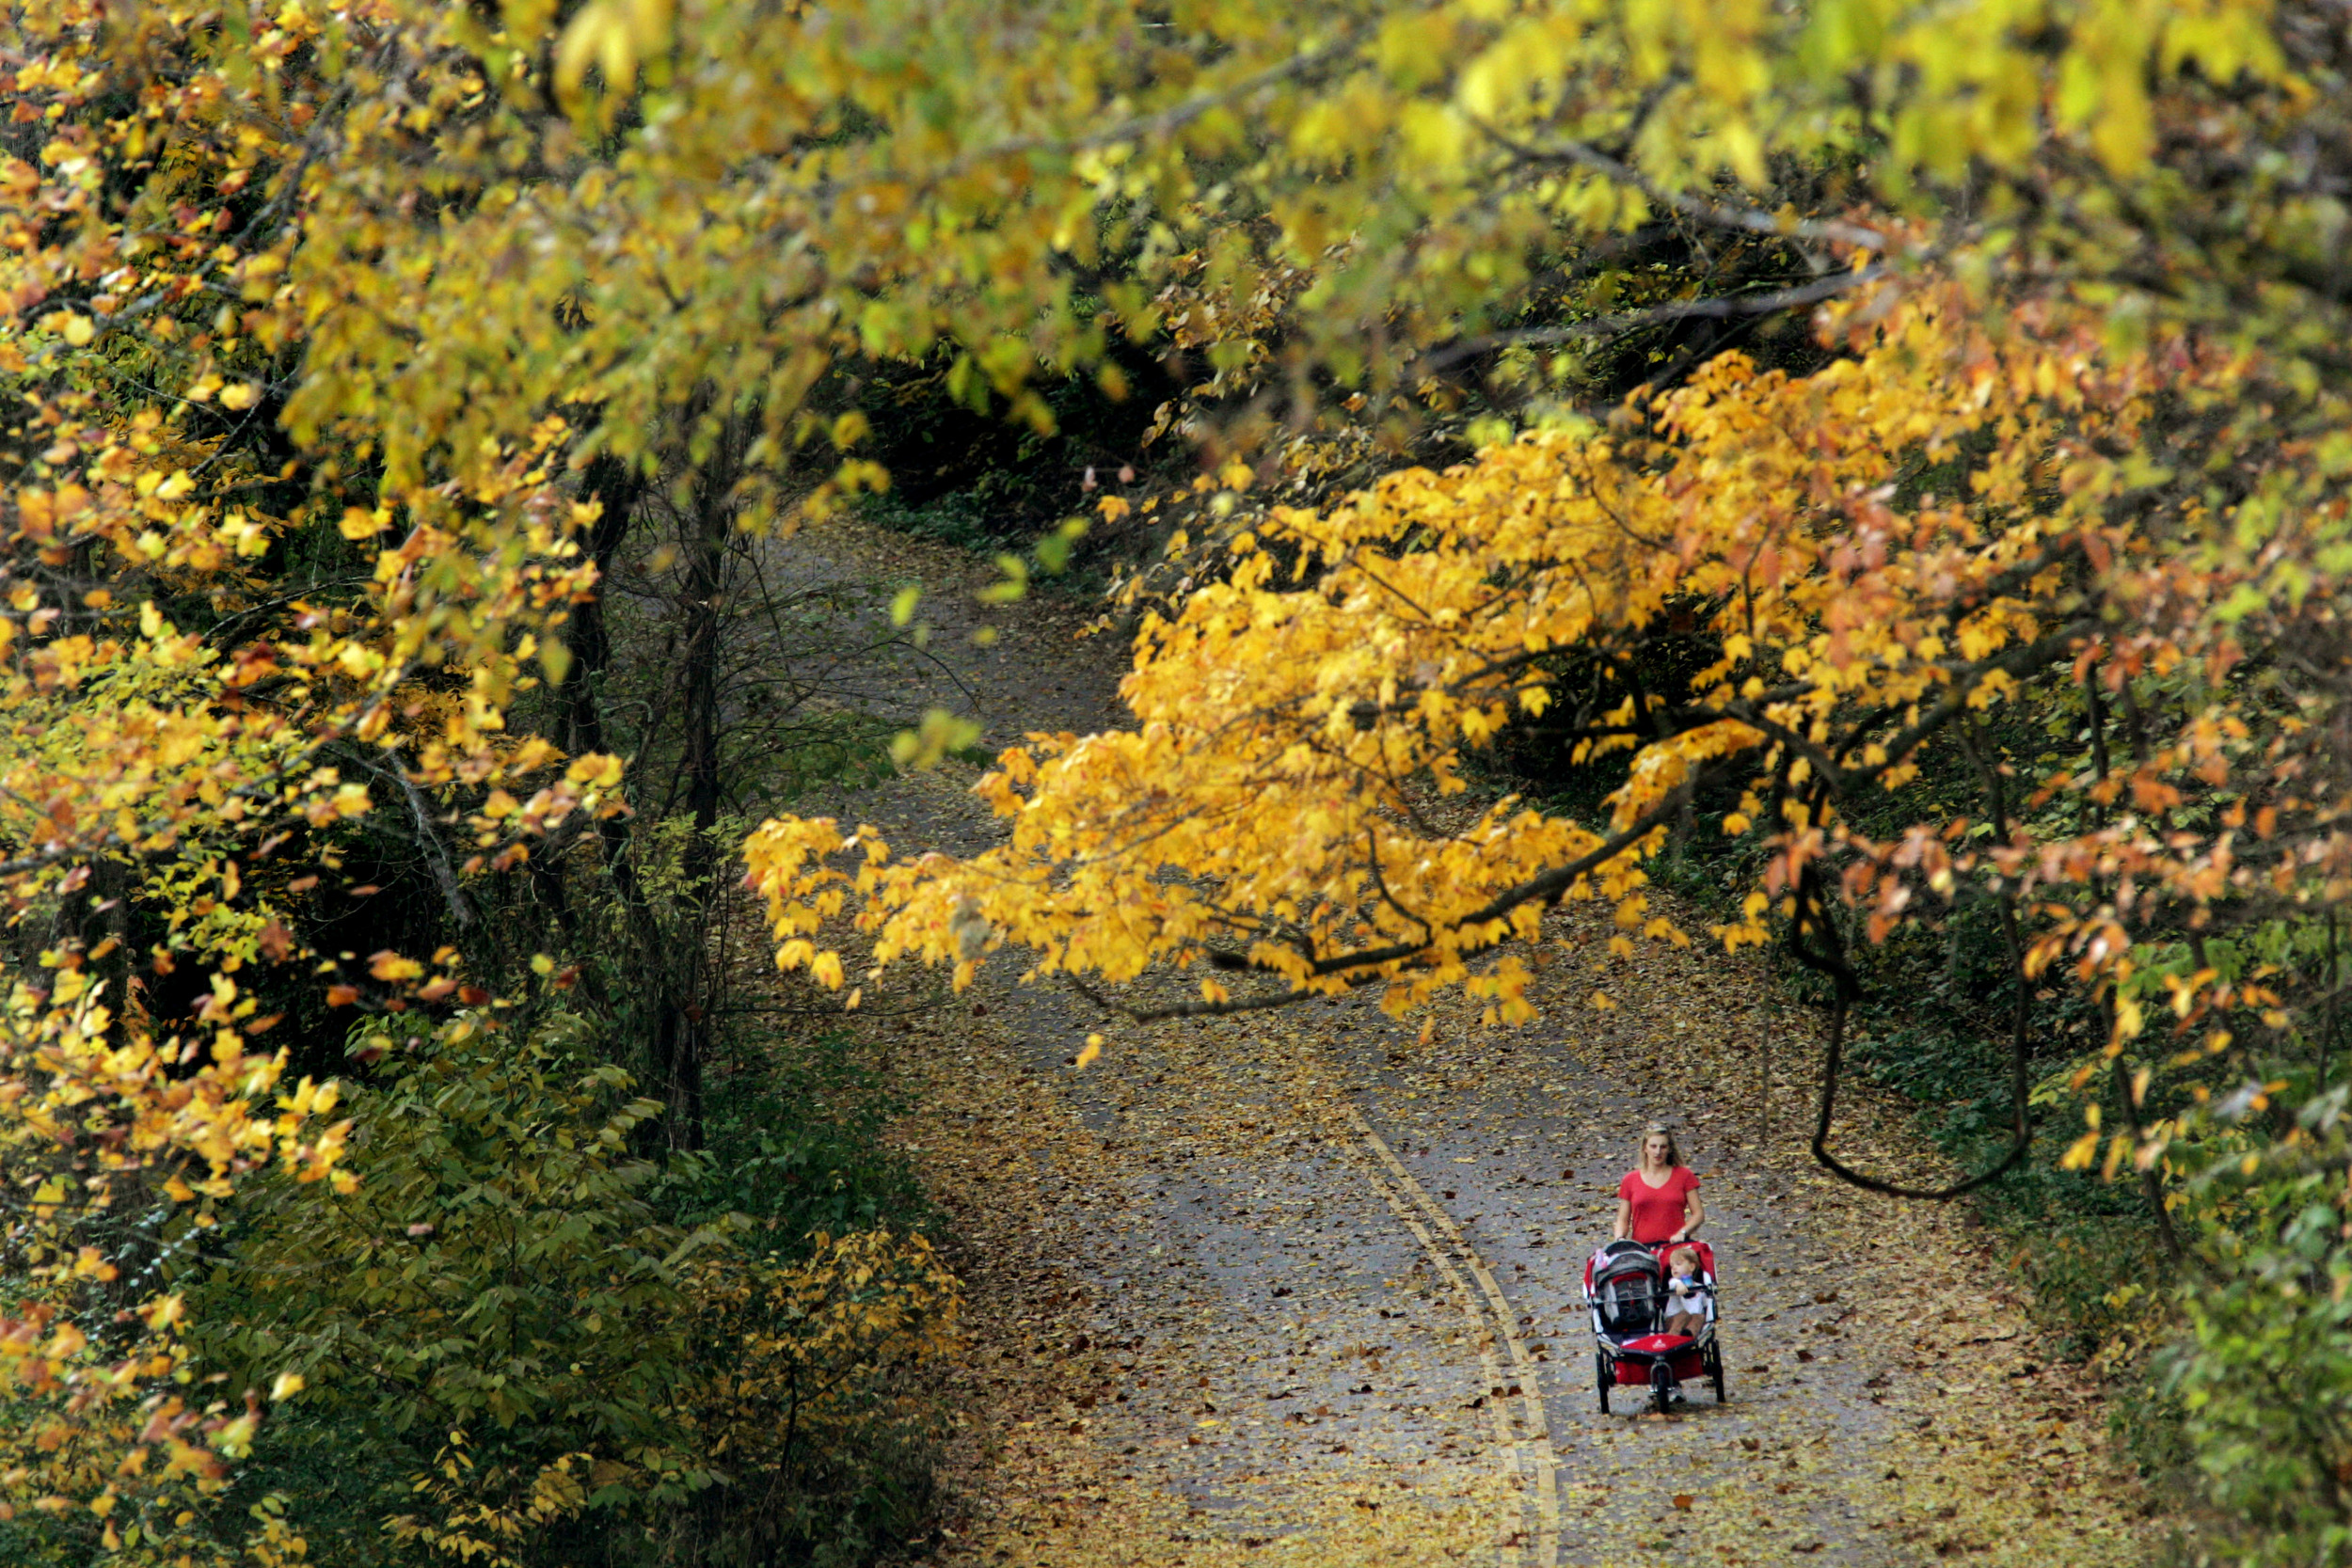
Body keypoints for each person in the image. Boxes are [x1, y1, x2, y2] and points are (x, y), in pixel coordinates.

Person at [1613, 1122, 1704, 1248]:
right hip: (1643, 1249)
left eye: (1663, 1147)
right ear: (1645, 1148)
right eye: (1653, 1146)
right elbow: (1623, 1219)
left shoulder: (1684, 1175)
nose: (1658, 1152)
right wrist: (1620, 1239)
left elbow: (1698, 1214)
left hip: (1676, 1248)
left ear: (1669, 1149)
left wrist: (1683, 1232)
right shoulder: (1630, 1179)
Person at [1661, 1244, 1708, 1338]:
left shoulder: (1700, 1287)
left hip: (1692, 1319)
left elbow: (1706, 1304)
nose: (1674, 1268)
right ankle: (1671, 1337)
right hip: (1674, 1319)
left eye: (1678, 1264)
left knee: (1700, 1317)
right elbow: (1673, 1283)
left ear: (1691, 1267)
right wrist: (1679, 1285)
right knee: (1683, 1314)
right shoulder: (1674, 1282)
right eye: (1672, 1266)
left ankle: (1688, 1335)